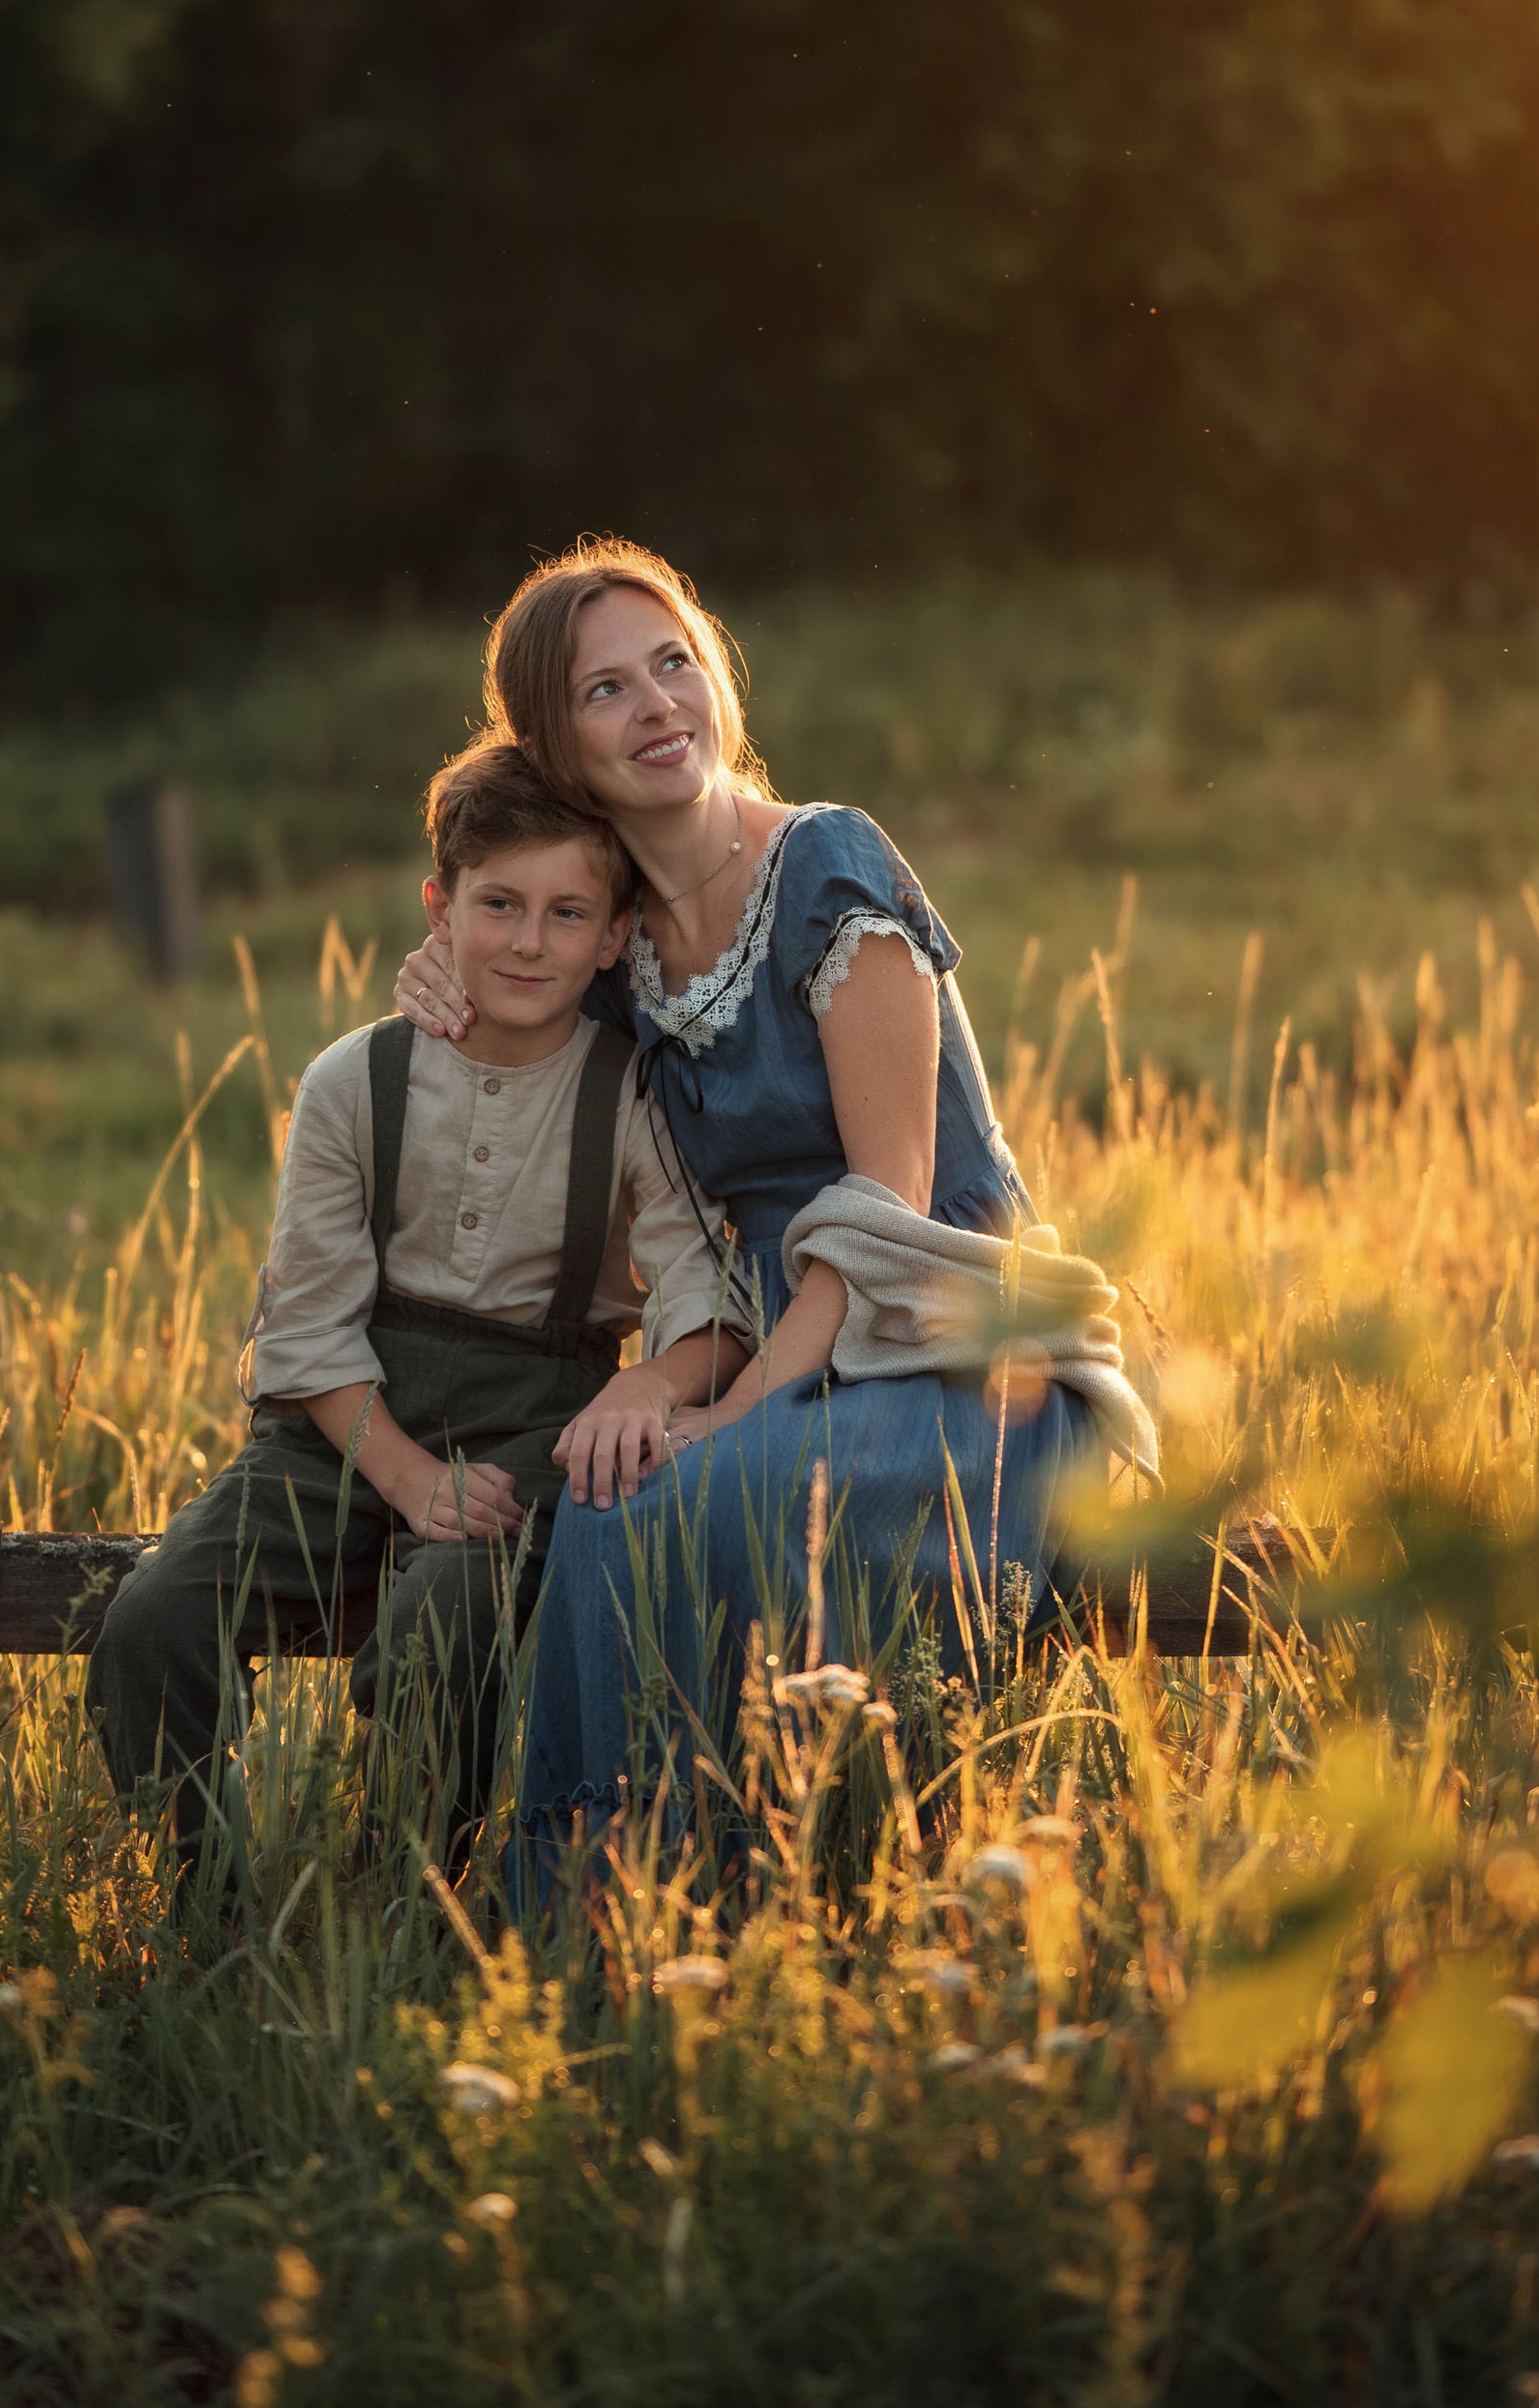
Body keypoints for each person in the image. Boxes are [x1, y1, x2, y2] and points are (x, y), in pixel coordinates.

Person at [394, 537, 1159, 1865]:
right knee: (605, 1498)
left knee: (699, 1497)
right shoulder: (616, 943)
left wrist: (727, 1412)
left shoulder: (828, 870)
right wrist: (443, 981)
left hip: (958, 1358)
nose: (659, 706)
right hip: (784, 1362)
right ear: (552, 746)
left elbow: (884, 1209)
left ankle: (741, 1876)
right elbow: (508, 1006)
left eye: (675, 662)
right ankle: (594, 1891)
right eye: (606, 691)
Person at [88, 742, 740, 1889]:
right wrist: (400, 1477)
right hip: (343, 1424)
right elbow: (305, 1333)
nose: (529, 942)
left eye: (566, 912)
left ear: (613, 935)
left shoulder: (634, 1089)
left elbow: (703, 1303)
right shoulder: (353, 1080)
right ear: (439, 909)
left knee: (440, 1620)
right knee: (152, 1619)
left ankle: (404, 1895)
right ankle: (205, 1899)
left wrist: (646, 1386)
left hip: (538, 1427)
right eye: (498, 905)